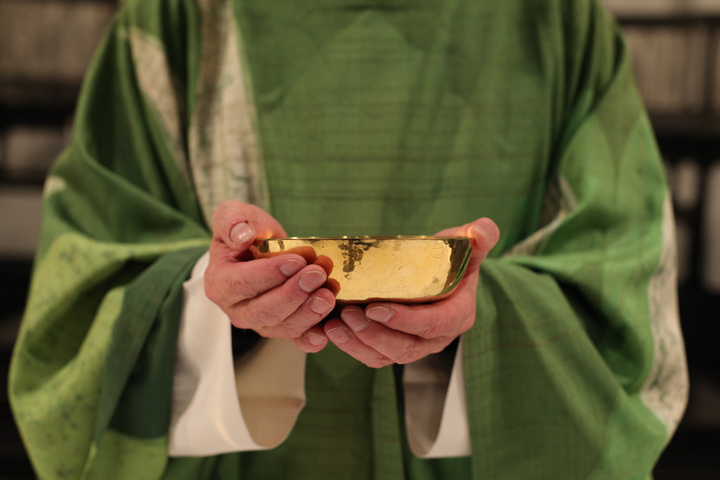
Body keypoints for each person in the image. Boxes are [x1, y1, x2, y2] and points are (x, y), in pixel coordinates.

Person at [9, 0, 689, 478]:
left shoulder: (560, 22)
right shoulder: (175, 18)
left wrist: (471, 329)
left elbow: (622, 293)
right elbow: (83, 293)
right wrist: (216, 307)